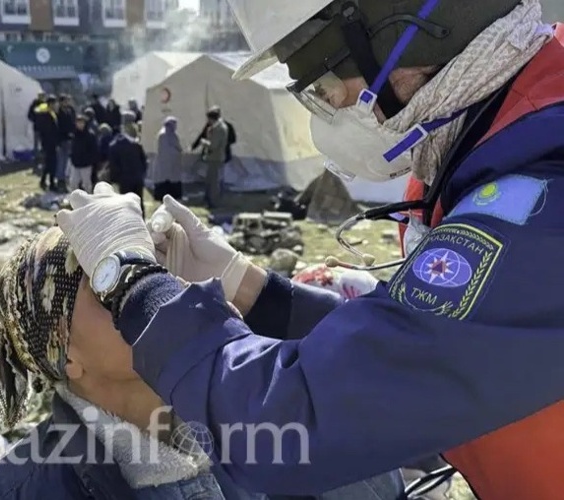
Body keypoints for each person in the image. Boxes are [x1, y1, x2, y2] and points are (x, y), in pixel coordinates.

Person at [54, 0, 564, 497]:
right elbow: (409, 351)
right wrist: (250, 287)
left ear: (403, 29)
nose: (329, 113)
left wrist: (130, 281)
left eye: (324, 87)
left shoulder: (540, 200)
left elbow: (294, 421)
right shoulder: (493, 151)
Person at [0, 227, 404, 500]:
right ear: (64, 353)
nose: (148, 290)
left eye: (148, 269)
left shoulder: (249, 408)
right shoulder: (21, 491)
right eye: (110, 284)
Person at [107, 130, 148, 217]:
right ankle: (141, 221)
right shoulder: (135, 144)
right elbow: (143, 160)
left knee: (126, 203)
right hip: (137, 177)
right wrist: (142, 173)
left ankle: (128, 222)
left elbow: (114, 166)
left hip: (124, 180)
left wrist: (114, 179)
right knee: (139, 201)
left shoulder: (113, 147)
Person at [200, 108, 229, 208]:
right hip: (213, 157)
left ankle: (214, 202)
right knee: (210, 180)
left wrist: (204, 143)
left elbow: (213, 145)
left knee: (213, 182)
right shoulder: (217, 127)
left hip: (216, 158)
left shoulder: (220, 129)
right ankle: (209, 199)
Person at [152, 116, 184, 201]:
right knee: (166, 180)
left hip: (172, 163)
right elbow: (168, 149)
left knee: (172, 179)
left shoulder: (172, 134)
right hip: (166, 162)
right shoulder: (163, 135)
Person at [34, 96, 60, 191]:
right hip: (49, 144)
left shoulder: (51, 114)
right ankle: (51, 183)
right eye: (55, 103)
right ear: (51, 104)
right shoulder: (45, 115)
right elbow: (48, 131)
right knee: (52, 163)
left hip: (50, 143)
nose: (56, 106)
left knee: (49, 164)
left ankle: (43, 180)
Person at [69, 114, 99, 193]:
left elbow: (94, 150)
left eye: (82, 122)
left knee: (86, 184)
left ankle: (88, 199)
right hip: (76, 164)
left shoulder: (90, 135)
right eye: (78, 123)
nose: (80, 124)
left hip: (86, 164)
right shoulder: (74, 135)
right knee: (73, 183)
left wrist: (90, 160)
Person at [56, 94, 77, 192]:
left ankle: (65, 178)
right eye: (65, 101)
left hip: (69, 138)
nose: (67, 103)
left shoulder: (70, 111)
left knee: (67, 161)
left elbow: (72, 123)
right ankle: (60, 180)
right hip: (62, 139)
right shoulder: (58, 113)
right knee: (62, 161)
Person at [28, 91, 46, 165]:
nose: (42, 97)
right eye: (40, 96)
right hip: (37, 127)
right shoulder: (34, 104)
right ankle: (36, 158)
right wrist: (36, 120)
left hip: (45, 128)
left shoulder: (45, 104)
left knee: (44, 143)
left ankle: (44, 157)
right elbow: (29, 115)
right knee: (36, 143)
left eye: (43, 96)